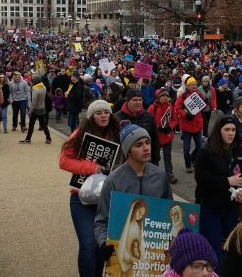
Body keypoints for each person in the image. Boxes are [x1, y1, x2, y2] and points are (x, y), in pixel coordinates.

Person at [95, 123, 173, 267]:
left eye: (147, 142)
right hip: (125, 250)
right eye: (138, 145)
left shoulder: (160, 176)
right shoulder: (113, 180)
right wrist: (104, 242)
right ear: (128, 151)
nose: (146, 148)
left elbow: (168, 214)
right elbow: (101, 221)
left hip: (154, 251)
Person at [59, 100, 122, 277]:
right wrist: (90, 167)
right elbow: (63, 161)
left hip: (107, 199)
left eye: (106, 112)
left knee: (102, 245)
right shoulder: (80, 134)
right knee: (88, 244)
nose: (103, 116)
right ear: (91, 116)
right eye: (98, 113)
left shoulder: (117, 134)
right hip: (81, 198)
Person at [194, 116, 242, 263]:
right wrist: (226, 181)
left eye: (233, 129)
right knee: (213, 246)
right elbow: (201, 177)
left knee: (229, 245)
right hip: (209, 207)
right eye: (227, 130)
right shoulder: (206, 151)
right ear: (219, 131)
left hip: (232, 208)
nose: (231, 133)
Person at [116, 88, 160, 165]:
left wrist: (156, 158)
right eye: (135, 100)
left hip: (146, 161)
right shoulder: (117, 118)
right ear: (127, 100)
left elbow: (154, 139)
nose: (138, 102)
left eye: (140, 100)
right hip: (125, 163)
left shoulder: (148, 116)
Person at [148, 88, 179, 184]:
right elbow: (149, 121)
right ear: (158, 97)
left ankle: (169, 174)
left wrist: (170, 127)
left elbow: (175, 119)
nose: (165, 97)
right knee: (155, 157)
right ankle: (155, 175)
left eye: (166, 96)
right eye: (163, 96)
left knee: (167, 157)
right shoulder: (153, 108)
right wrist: (158, 128)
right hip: (156, 137)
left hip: (167, 136)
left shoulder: (170, 106)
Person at [176, 76, 205, 173]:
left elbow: (203, 106)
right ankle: (188, 165)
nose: (194, 86)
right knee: (186, 148)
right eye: (191, 84)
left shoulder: (199, 94)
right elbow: (177, 108)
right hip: (186, 127)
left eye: (195, 84)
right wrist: (185, 115)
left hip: (197, 125)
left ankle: (193, 159)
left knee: (200, 146)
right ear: (187, 86)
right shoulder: (182, 96)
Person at [116, 198, 147, 277]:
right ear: (134, 209)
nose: (140, 216)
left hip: (135, 265)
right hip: (127, 265)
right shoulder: (127, 227)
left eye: (142, 215)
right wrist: (130, 258)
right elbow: (122, 248)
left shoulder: (137, 227)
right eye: (139, 212)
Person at [20, 76, 52, 144]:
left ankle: (28, 139)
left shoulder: (35, 89)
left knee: (31, 125)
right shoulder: (43, 87)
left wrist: (30, 112)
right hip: (42, 107)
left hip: (35, 109)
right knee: (44, 124)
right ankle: (48, 138)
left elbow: (34, 102)